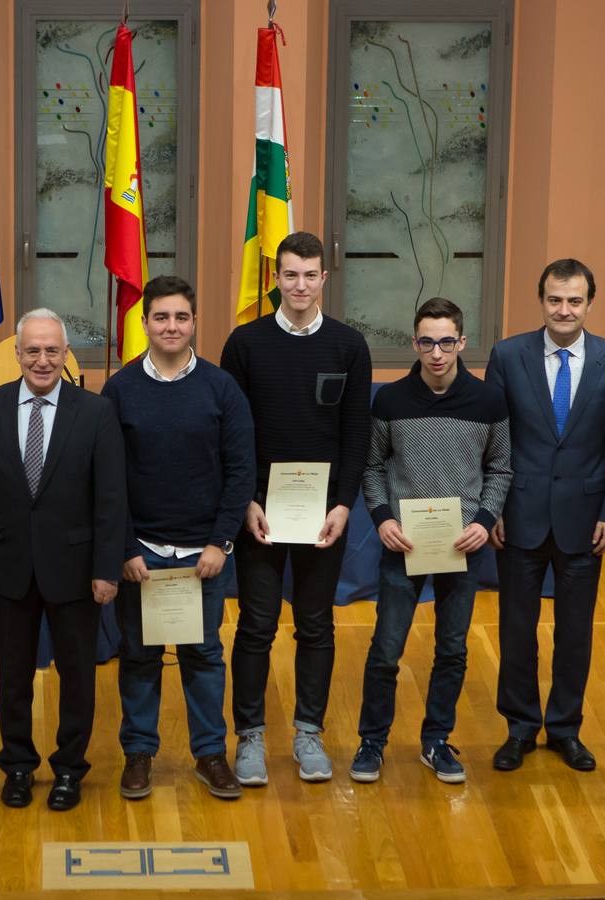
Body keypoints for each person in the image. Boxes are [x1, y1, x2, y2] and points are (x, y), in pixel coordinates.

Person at [220, 231, 372, 784]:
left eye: (310, 275)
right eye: (290, 275)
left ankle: (309, 733)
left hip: (322, 516)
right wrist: (245, 502)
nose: (300, 285)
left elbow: (356, 435)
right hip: (259, 512)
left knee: (316, 626)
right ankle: (250, 738)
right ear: (275, 279)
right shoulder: (244, 344)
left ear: (324, 279)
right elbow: (232, 436)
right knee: (256, 626)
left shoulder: (349, 346)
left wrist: (343, 505)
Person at [0, 308, 126, 812]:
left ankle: (70, 769)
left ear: (65, 354)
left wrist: (105, 568)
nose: (42, 359)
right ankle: (17, 764)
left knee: (76, 675)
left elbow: (110, 498)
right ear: (16, 355)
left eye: (52, 350)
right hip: (8, 566)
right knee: (12, 675)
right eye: (32, 350)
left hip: (76, 570)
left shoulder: (95, 412)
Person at [102, 276, 255, 801]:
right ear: (144, 322)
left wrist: (219, 543)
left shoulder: (221, 389)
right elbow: (109, 479)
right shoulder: (119, 390)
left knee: (204, 656)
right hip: (141, 554)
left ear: (195, 323)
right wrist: (123, 548)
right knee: (139, 657)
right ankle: (139, 754)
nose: (171, 326)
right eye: (161, 317)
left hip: (202, 558)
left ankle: (210, 755)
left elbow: (241, 472)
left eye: (181, 317)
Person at [485, 259, 605, 774]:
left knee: (575, 634)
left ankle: (566, 728)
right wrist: (494, 508)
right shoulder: (507, 355)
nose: (564, 310)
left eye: (574, 301)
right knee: (516, 630)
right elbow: (494, 441)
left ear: (590, 303)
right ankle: (520, 728)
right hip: (519, 516)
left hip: (585, 521)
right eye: (555, 300)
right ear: (541, 300)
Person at [353, 298, 511, 785]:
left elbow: (500, 468)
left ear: (462, 342)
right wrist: (381, 517)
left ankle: (436, 740)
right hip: (404, 544)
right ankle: (372, 742)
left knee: (452, 649)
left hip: (464, 546)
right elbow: (374, 466)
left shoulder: (488, 401)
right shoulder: (390, 401)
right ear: (414, 343)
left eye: (447, 342)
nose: (437, 352)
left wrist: (485, 520)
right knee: (385, 649)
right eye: (427, 342)